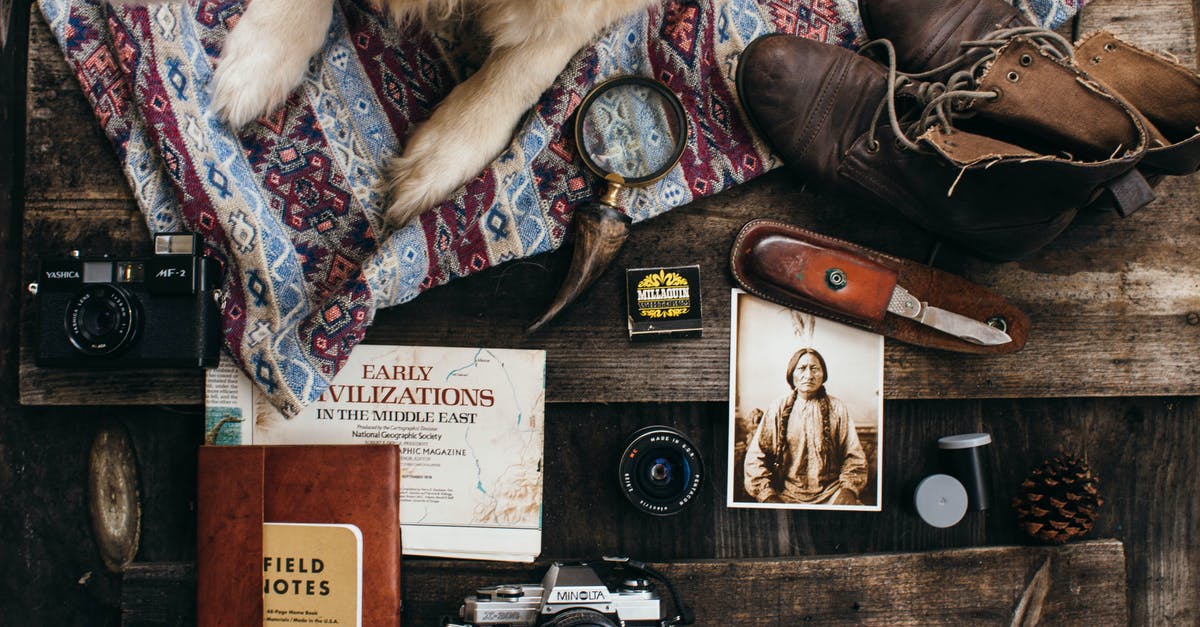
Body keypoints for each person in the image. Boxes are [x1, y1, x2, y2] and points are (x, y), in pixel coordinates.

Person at [743, 347, 868, 505]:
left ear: (823, 375)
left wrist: (848, 490)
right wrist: (767, 495)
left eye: (814, 369)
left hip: (832, 494)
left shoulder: (837, 408)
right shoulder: (778, 408)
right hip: (785, 495)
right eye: (802, 368)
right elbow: (755, 458)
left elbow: (854, 457)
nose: (808, 375)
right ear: (791, 374)